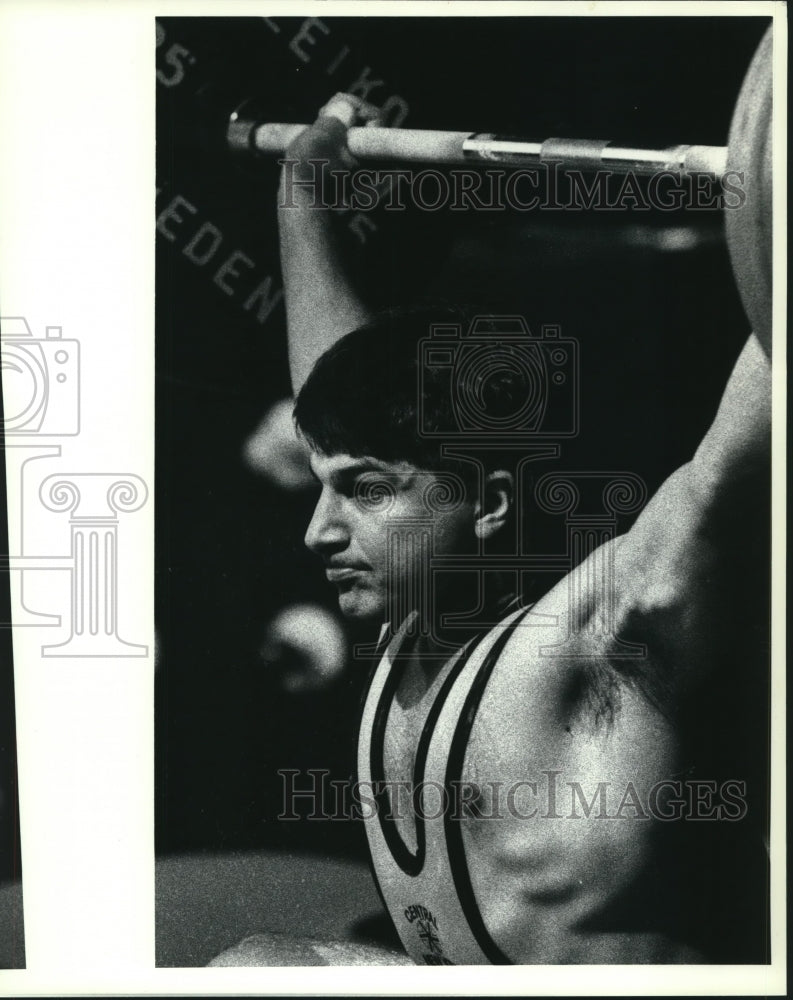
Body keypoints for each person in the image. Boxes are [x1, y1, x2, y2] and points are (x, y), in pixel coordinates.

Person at [213, 41, 772, 962]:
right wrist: (303, 190)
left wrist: (777, 208)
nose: (320, 531)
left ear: (489, 504)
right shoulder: (410, 621)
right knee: (254, 968)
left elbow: (730, 460)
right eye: (326, 487)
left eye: (363, 493)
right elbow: (337, 394)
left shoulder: (596, 646)